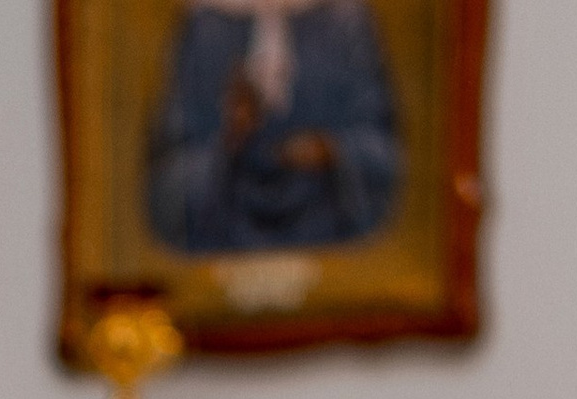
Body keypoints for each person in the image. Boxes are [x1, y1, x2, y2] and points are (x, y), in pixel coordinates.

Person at [146, 0, 404, 256]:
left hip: (329, 236)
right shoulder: (204, 28)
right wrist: (230, 138)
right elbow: (167, 177)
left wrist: (329, 149)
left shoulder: (346, 23)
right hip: (223, 241)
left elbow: (386, 152)